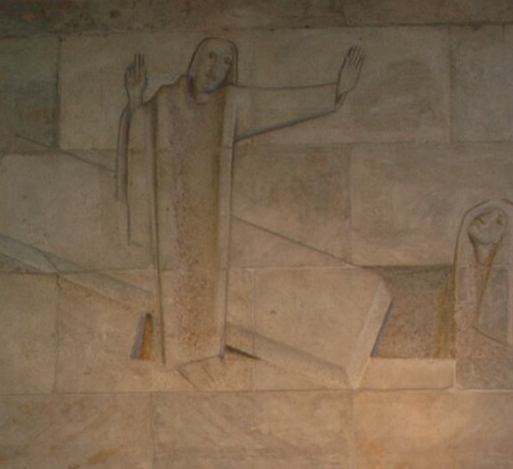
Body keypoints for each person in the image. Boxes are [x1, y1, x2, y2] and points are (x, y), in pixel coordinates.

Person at [115, 38, 363, 383]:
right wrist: (134, 101)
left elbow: (277, 104)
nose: (216, 67)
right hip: (170, 214)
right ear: (195, 60)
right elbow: (140, 130)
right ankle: (177, 359)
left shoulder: (231, 104)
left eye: (226, 62)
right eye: (210, 57)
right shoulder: (166, 100)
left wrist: (335, 91)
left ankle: (200, 355)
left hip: (208, 216)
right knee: (173, 287)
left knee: (207, 286)